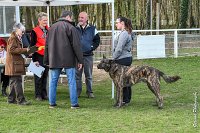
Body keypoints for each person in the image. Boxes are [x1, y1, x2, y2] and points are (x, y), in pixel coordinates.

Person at [44, 10, 83, 109]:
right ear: (68, 17)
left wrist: (46, 60)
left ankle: (52, 103)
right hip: (68, 59)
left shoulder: (51, 28)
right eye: (71, 17)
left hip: (54, 59)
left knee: (53, 81)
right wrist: (80, 60)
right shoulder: (71, 27)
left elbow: (47, 45)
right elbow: (76, 46)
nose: (72, 19)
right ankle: (74, 103)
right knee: (71, 81)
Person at [5, 23, 37, 105]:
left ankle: (11, 99)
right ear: (16, 29)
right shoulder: (13, 38)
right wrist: (25, 50)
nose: (23, 33)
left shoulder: (16, 38)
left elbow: (16, 50)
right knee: (17, 81)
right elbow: (12, 50)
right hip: (14, 63)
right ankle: (21, 100)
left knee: (13, 81)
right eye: (22, 31)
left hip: (15, 63)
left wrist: (27, 52)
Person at [76, 12, 100, 98]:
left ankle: (89, 92)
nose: (80, 19)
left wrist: (91, 47)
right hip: (77, 57)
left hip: (88, 56)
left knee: (88, 75)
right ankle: (77, 92)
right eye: (79, 17)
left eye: (82, 17)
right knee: (77, 75)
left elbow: (97, 40)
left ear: (86, 19)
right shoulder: (75, 28)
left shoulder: (93, 29)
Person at [113, 16, 135, 105]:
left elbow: (119, 48)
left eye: (117, 22)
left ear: (122, 23)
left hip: (122, 59)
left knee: (121, 80)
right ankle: (126, 99)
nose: (116, 24)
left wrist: (113, 58)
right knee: (126, 79)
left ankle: (124, 99)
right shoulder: (125, 33)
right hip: (125, 58)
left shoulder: (124, 34)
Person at [30, 12, 49, 101]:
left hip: (47, 56)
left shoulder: (48, 30)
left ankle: (44, 94)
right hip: (38, 56)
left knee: (45, 76)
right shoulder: (34, 31)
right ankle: (38, 95)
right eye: (44, 20)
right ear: (39, 20)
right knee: (38, 77)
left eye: (46, 20)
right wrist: (34, 60)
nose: (46, 22)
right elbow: (32, 46)